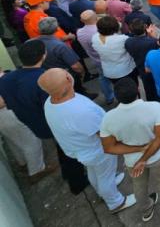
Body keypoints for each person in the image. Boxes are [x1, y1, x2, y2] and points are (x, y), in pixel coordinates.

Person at [39, 68, 136, 213]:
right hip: (97, 151)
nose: (69, 73)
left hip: (81, 150)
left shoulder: (50, 101)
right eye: (66, 73)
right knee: (105, 176)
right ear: (68, 80)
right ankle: (116, 202)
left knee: (96, 173)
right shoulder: (80, 112)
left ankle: (103, 190)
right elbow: (103, 133)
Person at [0, 41, 88, 193]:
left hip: (30, 122)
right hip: (51, 123)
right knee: (70, 151)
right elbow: (57, 105)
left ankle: (67, 173)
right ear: (43, 55)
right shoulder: (43, 79)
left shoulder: (7, 79)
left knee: (62, 149)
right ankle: (77, 183)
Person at [100, 78, 160, 222]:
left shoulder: (108, 118)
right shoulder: (155, 107)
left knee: (138, 185)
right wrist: (143, 158)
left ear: (116, 96)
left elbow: (108, 147)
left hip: (132, 160)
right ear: (138, 90)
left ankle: (146, 209)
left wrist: (137, 151)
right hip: (158, 156)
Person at [37, 17, 94, 98]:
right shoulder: (60, 46)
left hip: (48, 75)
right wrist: (82, 72)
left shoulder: (32, 42)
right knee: (77, 91)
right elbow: (75, 66)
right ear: (57, 29)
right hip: (66, 75)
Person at [77, 10, 114, 105]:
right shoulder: (100, 32)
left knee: (103, 78)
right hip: (108, 59)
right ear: (96, 18)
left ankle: (109, 97)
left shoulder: (79, 32)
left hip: (95, 60)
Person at [92, 16, 137, 87]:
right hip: (126, 70)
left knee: (120, 89)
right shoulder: (122, 39)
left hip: (109, 71)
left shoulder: (95, 37)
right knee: (133, 88)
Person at [125, 19, 159, 102]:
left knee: (148, 88)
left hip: (141, 68)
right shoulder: (153, 42)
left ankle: (151, 101)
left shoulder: (128, 42)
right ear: (145, 28)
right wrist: (154, 36)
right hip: (154, 68)